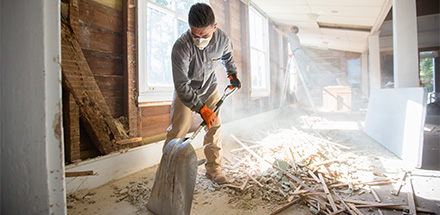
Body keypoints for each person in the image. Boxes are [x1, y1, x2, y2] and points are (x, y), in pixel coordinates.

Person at [164, 2, 241, 184]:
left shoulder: (222, 39)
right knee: (178, 130)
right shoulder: (181, 47)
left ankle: (214, 169)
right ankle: (169, 173)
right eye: (195, 35)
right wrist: (201, 109)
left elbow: (228, 56)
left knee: (214, 126)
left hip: (209, 87)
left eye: (205, 35)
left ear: (214, 27)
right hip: (186, 91)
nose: (199, 39)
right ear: (189, 28)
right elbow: (182, 84)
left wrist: (232, 74)